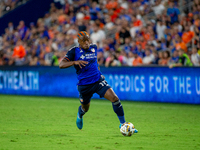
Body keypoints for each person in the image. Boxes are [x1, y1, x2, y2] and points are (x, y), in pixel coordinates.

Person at [59, 31, 138, 132]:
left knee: (115, 98)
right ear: (79, 41)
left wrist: (99, 72)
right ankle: (80, 114)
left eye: (88, 40)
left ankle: (123, 124)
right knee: (85, 108)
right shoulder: (74, 51)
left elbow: (95, 61)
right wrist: (75, 62)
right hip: (84, 85)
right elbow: (61, 65)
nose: (86, 42)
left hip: (97, 81)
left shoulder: (93, 48)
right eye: (83, 41)